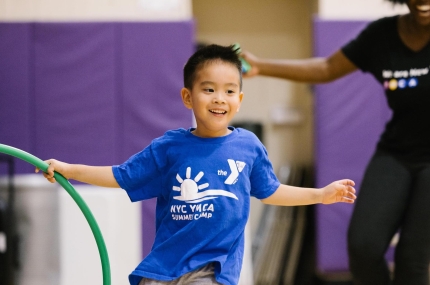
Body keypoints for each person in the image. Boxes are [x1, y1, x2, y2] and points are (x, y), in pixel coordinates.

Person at [36, 44, 356, 285]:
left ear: (239, 100)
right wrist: (69, 169)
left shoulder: (248, 147)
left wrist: (320, 194)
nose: (220, 98)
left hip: (211, 271)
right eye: (209, 89)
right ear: (188, 98)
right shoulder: (170, 147)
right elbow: (121, 176)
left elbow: (271, 191)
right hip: (162, 268)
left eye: (229, 91)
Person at [240, 0, 430, 284]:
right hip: (396, 152)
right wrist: (262, 67)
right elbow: (328, 68)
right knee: (363, 247)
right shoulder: (382, 35)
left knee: (413, 259)